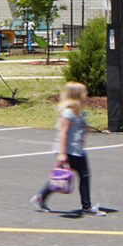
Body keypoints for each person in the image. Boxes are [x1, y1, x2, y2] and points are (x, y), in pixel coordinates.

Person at [34, 82, 103, 215]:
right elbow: (63, 133)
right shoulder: (68, 113)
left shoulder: (79, 112)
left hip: (78, 149)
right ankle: (86, 207)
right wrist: (62, 153)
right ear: (77, 95)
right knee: (73, 176)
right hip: (69, 150)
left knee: (74, 176)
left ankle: (41, 198)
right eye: (84, 94)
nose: (86, 96)